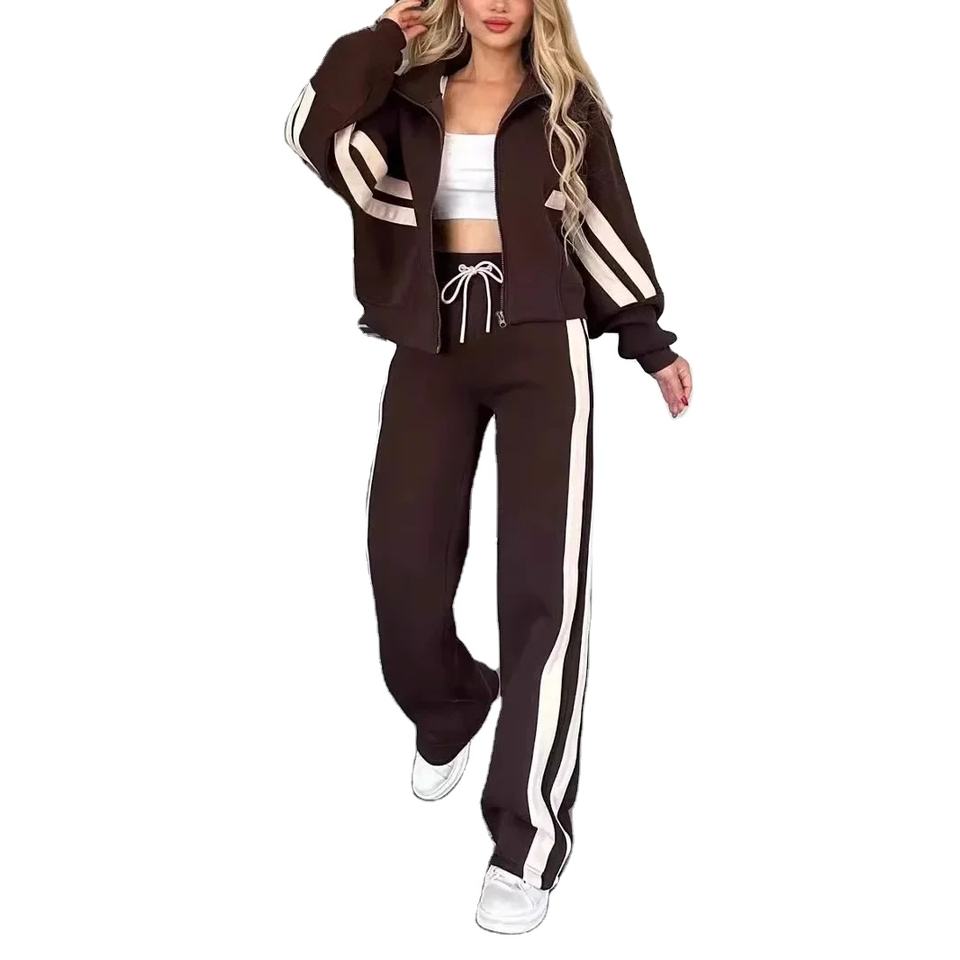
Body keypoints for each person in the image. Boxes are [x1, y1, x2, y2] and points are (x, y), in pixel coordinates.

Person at [285, 0, 692, 934]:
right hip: (430, 344)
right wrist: (381, 39)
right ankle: (450, 703)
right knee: (402, 563)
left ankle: (526, 839)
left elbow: (602, 221)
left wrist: (649, 341)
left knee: (543, 591)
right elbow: (312, 131)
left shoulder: (565, 104)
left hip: (541, 347)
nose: (499, 2)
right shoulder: (406, 96)